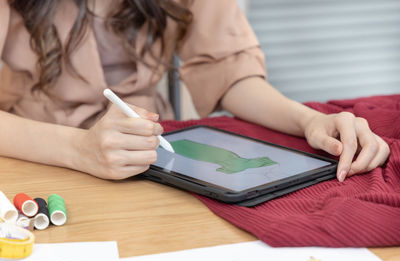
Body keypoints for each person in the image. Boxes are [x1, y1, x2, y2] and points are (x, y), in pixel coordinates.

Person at [0, 0, 390, 181]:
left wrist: (308, 120)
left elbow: (227, 68)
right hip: (37, 157)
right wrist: (79, 149)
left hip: (156, 159)